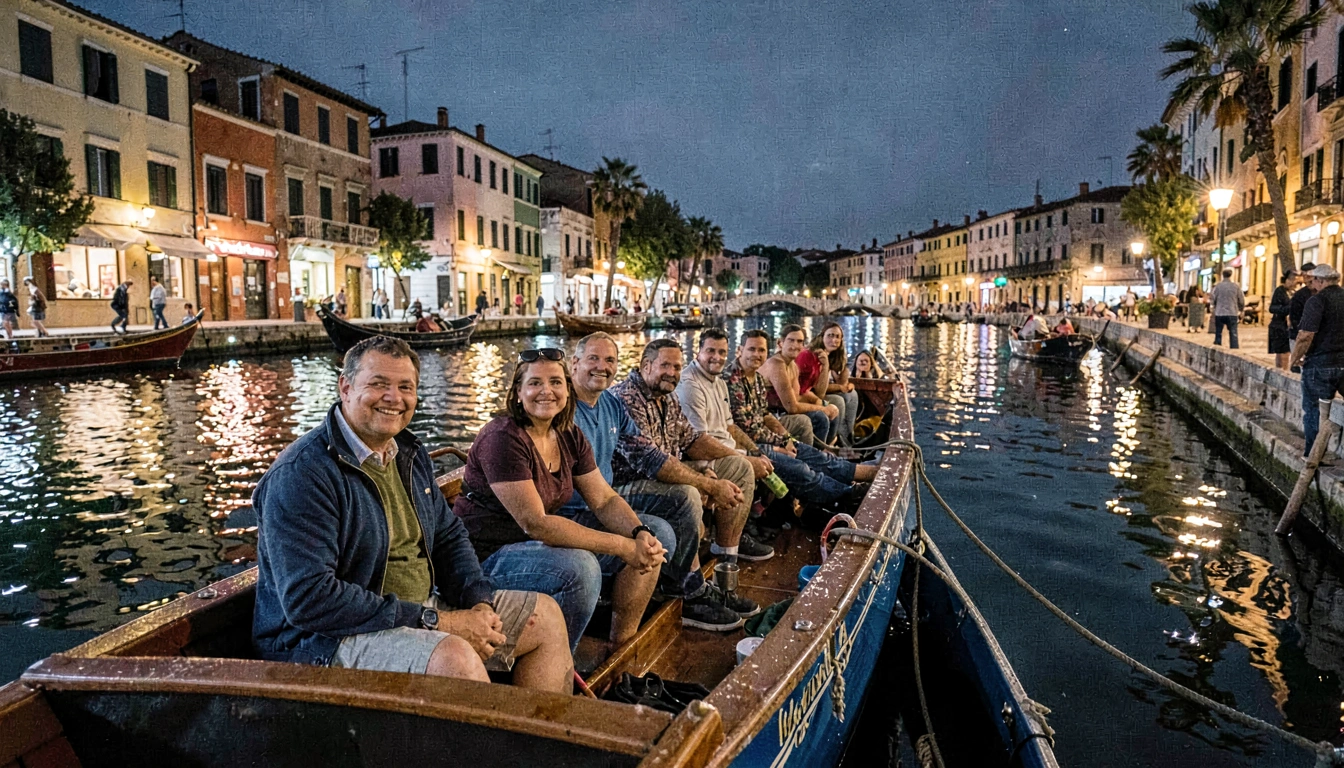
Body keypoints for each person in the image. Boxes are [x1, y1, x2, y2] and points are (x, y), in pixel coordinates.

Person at [251, 336, 571, 691]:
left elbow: (449, 538)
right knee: (455, 658)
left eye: (406, 387)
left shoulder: (407, 453)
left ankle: (538, 738)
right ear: (345, 386)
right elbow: (310, 599)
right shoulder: (303, 474)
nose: (394, 398)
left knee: (545, 618)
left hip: (416, 609)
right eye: (378, 384)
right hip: (323, 640)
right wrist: (438, 622)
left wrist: (478, 603)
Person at [455, 348, 668, 648]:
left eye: (556, 382)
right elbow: (537, 524)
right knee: (580, 569)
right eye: (535, 383)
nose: (547, 391)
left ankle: (620, 649)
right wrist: (622, 546)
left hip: (534, 547)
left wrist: (638, 533)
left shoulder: (568, 434)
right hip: (487, 557)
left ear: (568, 389)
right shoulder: (502, 438)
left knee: (652, 541)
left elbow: (604, 499)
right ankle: (561, 657)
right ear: (518, 392)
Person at [566, 333, 745, 631]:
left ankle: (638, 620)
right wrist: (706, 485)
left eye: (610, 360)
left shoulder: (610, 403)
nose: (602, 367)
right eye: (593, 359)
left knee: (664, 530)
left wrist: (707, 479)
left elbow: (652, 454)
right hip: (589, 501)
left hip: (604, 497)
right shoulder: (567, 409)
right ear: (574, 363)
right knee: (683, 498)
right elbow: (644, 463)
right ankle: (685, 589)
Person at [611, 339, 774, 569]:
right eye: (665, 365)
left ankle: (726, 560)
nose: (672, 373)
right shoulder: (627, 398)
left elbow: (692, 440)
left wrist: (711, 467)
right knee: (688, 494)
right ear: (646, 365)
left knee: (739, 467)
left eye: (677, 367)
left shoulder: (668, 396)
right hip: (628, 485)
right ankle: (691, 585)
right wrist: (707, 485)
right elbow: (652, 463)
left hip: (660, 473)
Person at [721, 329, 877, 512]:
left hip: (762, 437)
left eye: (761, 350)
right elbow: (749, 430)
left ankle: (867, 474)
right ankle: (846, 494)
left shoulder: (755, 377)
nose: (757, 355)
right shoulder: (731, 380)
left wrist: (785, 437)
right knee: (801, 468)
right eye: (752, 349)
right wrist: (781, 444)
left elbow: (764, 413)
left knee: (815, 455)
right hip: (746, 445)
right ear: (740, 350)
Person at [1289, 265, 1344, 455]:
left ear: (1321, 281)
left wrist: (1294, 358)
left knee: (1312, 409)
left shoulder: (1317, 301)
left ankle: (1312, 453)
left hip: (1320, 364)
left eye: (1313, 281)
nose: (1311, 284)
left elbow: (1305, 335)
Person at [762, 324, 840, 447]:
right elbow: (792, 407)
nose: (796, 345)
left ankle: (824, 450)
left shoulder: (792, 365)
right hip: (769, 416)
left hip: (782, 412)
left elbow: (797, 396)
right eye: (791, 340)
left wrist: (820, 403)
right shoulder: (776, 365)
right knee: (818, 417)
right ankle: (814, 456)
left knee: (829, 410)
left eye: (800, 342)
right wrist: (823, 408)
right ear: (780, 343)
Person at [811, 322, 857, 447]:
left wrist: (843, 359)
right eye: (830, 335)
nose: (834, 340)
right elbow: (818, 388)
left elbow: (843, 382)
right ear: (822, 337)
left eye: (838, 337)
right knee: (839, 400)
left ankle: (848, 434)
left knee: (853, 394)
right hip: (811, 394)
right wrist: (840, 387)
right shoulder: (818, 355)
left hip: (821, 392)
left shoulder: (832, 355)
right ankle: (832, 441)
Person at [1269, 269, 1297, 369]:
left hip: (1287, 326)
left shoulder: (1293, 292)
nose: (1293, 283)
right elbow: (1272, 308)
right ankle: (1282, 371)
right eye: (1291, 280)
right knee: (1282, 353)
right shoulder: (1280, 291)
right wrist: (1287, 309)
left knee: (1284, 352)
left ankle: (1281, 370)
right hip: (1279, 325)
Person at [1210, 269, 1245, 349]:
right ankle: (1234, 348)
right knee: (1233, 333)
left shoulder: (1218, 287)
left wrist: (1214, 307)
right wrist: (1241, 309)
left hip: (1220, 312)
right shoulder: (1235, 287)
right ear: (1231, 275)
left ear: (1223, 275)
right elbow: (1241, 299)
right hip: (1232, 312)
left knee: (1218, 332)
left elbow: (1213, 299)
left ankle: (1218, 347)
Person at [1290, 261, 1318, 350]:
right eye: (1304, 277)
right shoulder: (1299, 295)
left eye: (1309, 277)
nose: (1307, 281)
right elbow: (1294, 317)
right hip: (1303, 335)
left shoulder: (1324, 294)